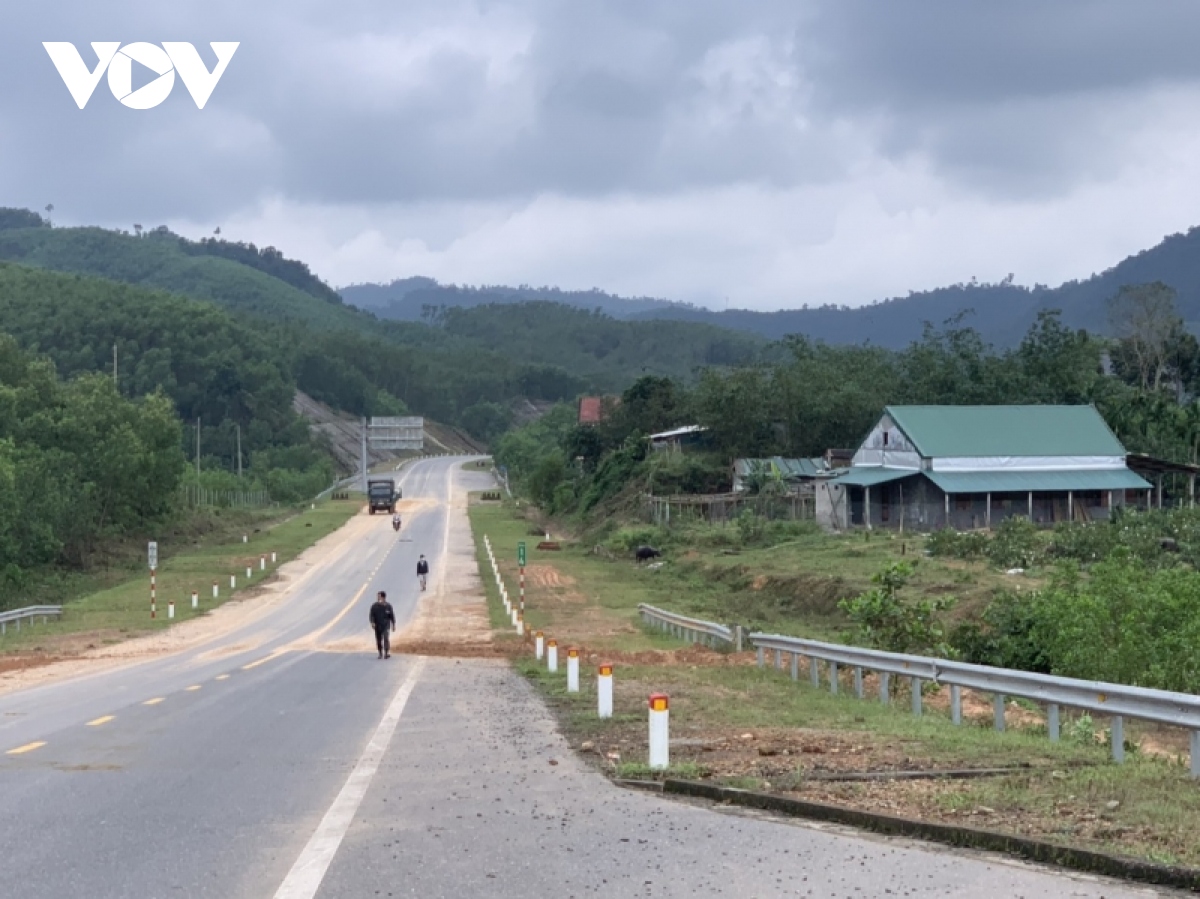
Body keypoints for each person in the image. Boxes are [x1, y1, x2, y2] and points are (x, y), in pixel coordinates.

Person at [369, 591, 395, 659]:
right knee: (379, 640)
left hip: (386, 625)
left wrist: (393, 624)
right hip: (377, 626)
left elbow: (391, 616)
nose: (378, 598)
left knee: (386, 638)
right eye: (377, 596)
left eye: (379, 596)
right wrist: (372, 623)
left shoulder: (388, 606)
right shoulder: (374, 606)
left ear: (383, 597)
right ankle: (380, 653)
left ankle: (386, 653)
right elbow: (371, 615)